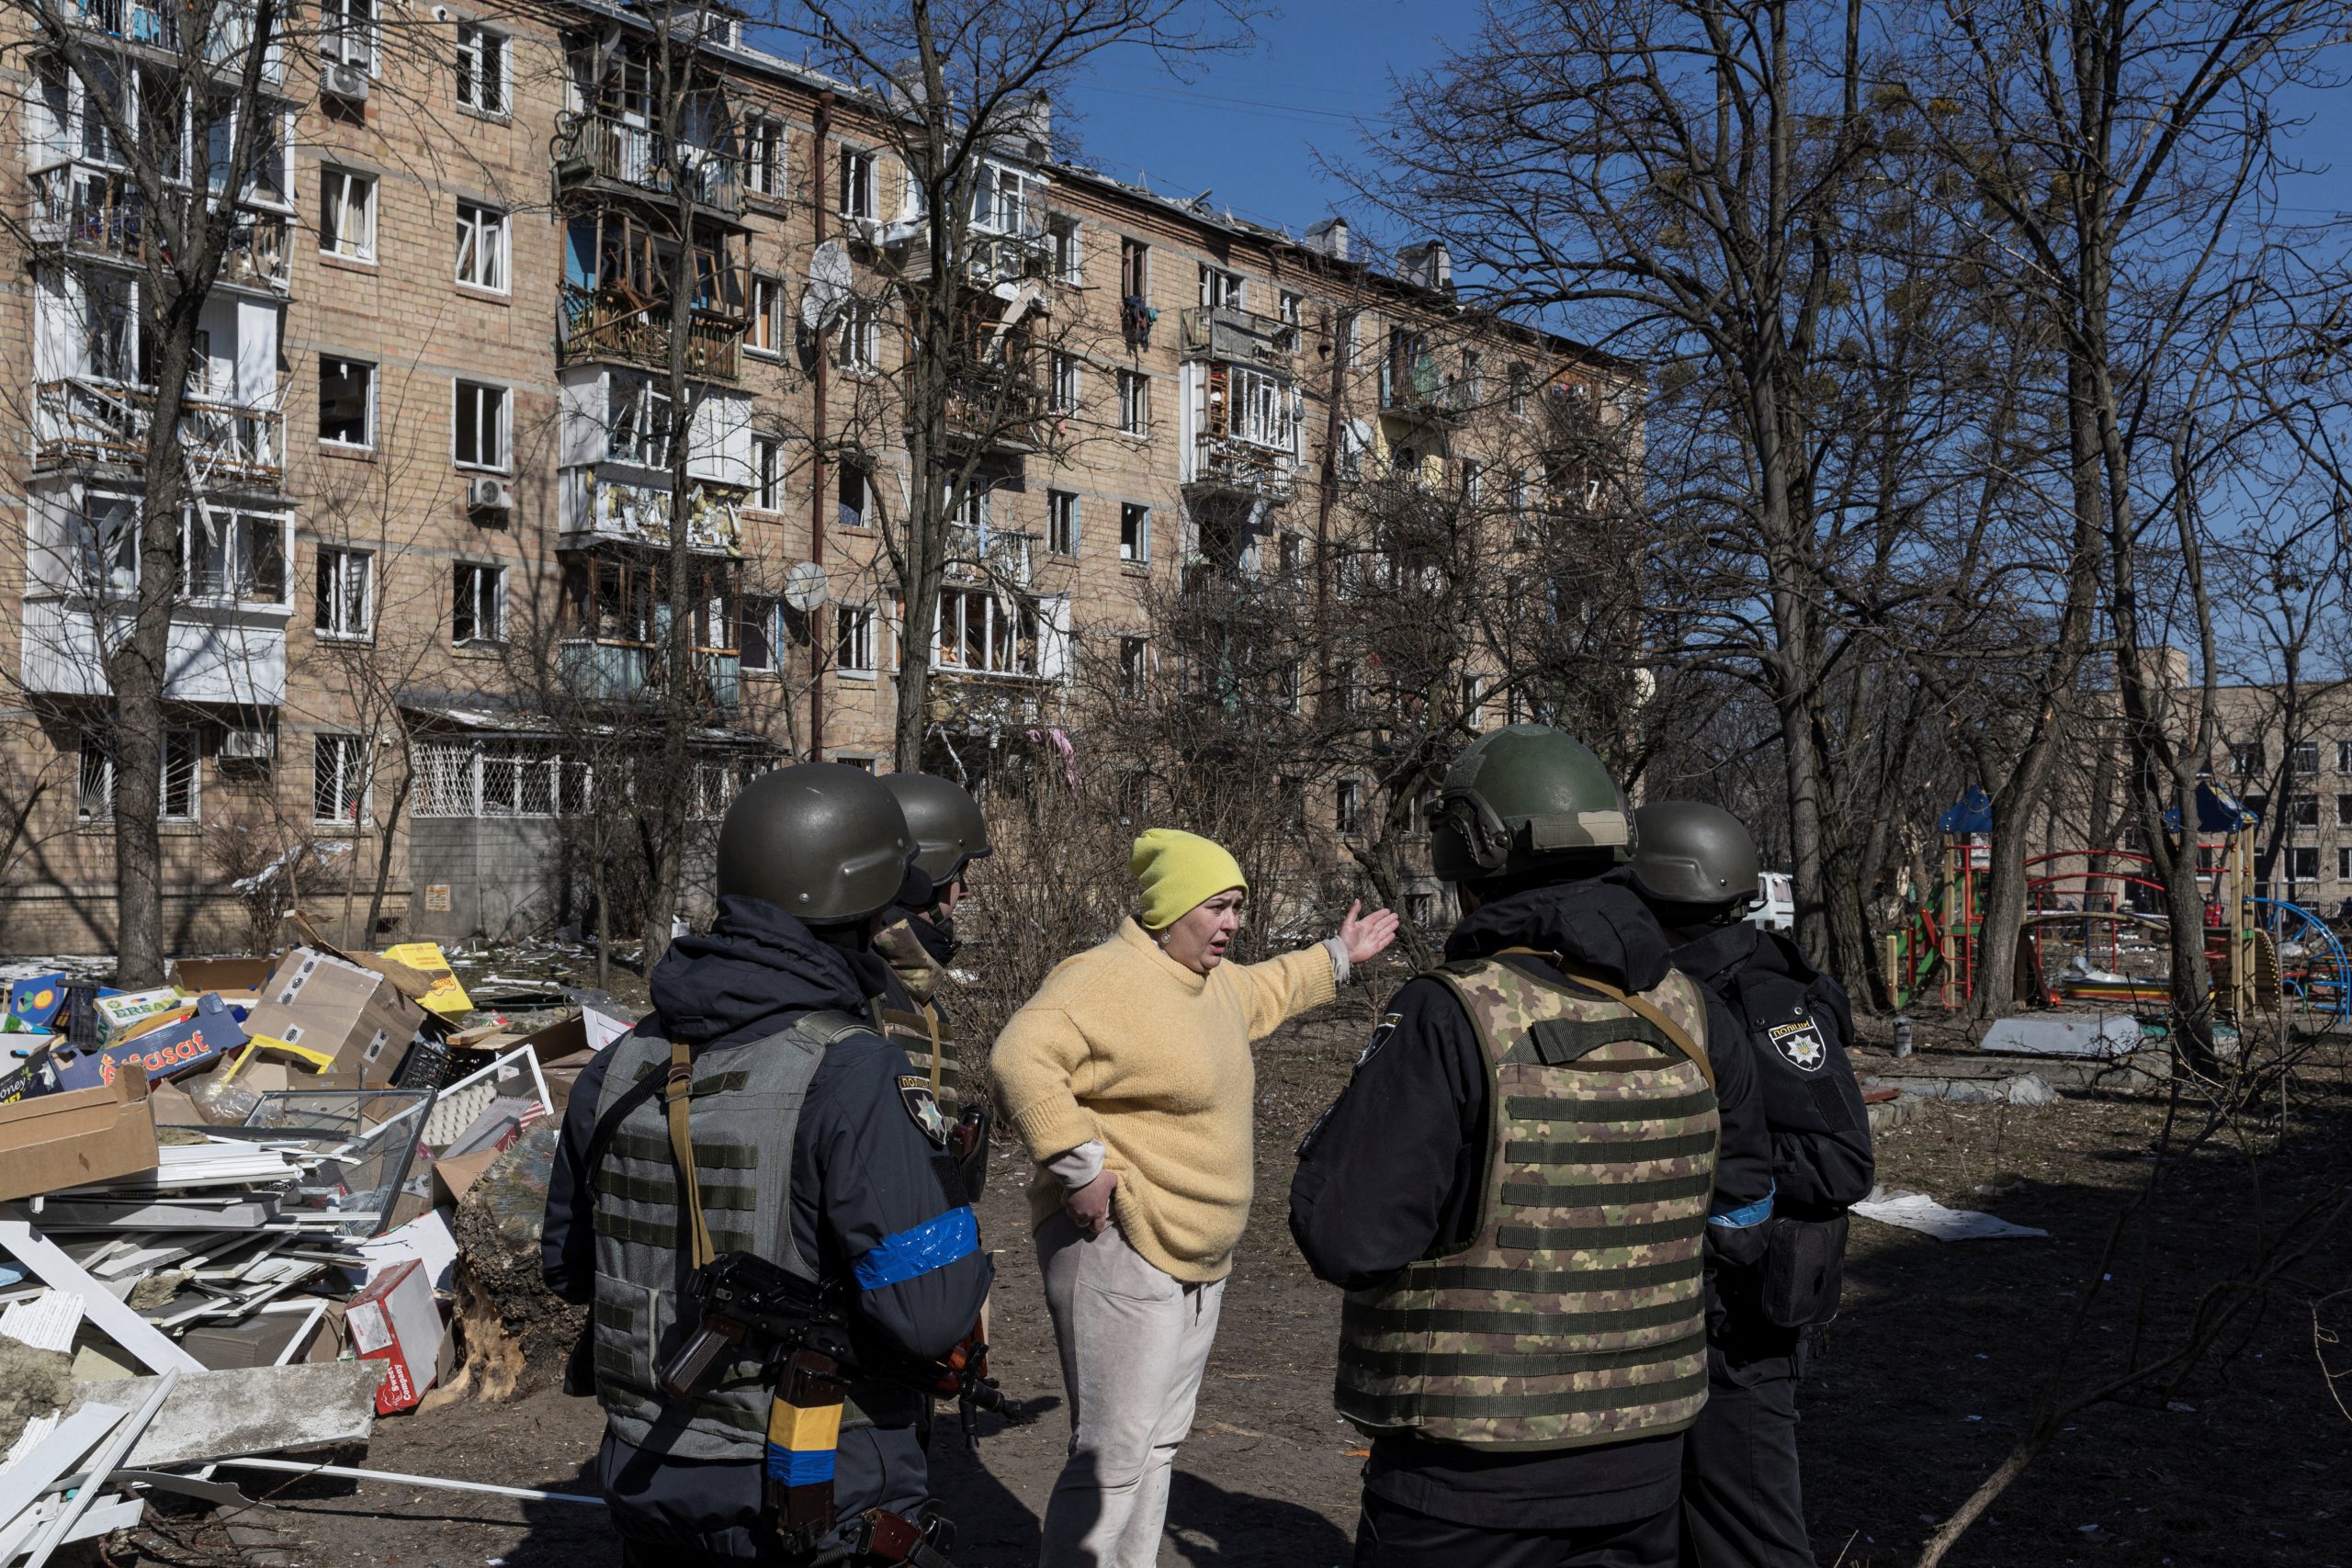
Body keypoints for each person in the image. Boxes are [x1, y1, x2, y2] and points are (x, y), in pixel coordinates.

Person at [1287, 726, 1775, 1568]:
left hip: (1467, 1482)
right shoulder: (1697, 1013)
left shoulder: (1452, 1014)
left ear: (1467, 858)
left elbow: (1347, 1232)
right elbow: (1744, 1217)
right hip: (1646, 1470)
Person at [542, 763, 994, 1565]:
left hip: (647, 1476)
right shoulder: (854, 1070)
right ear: (859, 904)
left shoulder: (620, 1062)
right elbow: (932, 1313)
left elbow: (571, 1267)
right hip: (810, 1480)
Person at [993, 828, 1399, 1568]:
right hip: (1120, 1243)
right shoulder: (1102, 977)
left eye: (1238, 906)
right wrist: (1079, 1167)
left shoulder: (1209, 984)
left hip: (1200, 1252)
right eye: (1218, 906)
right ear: (1171, 908)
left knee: (1157, 1445)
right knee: (1112, 1455)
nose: (1233, 923)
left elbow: (1272, 984)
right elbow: (1020, 1054)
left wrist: (1339, 956)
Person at [1624, 802, 1874, 1568]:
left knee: (1752, 1540)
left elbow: (1841, 1160)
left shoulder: (1762, 1000)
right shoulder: (1668, 987)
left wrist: (1711, 1155)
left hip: (1740, 1330)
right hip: (1674, 1320)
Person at [875, 773, 992, 1110]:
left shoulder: (908, 975)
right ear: (923, 875)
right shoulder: (866, 985)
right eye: (959, 875)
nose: (965, 892)